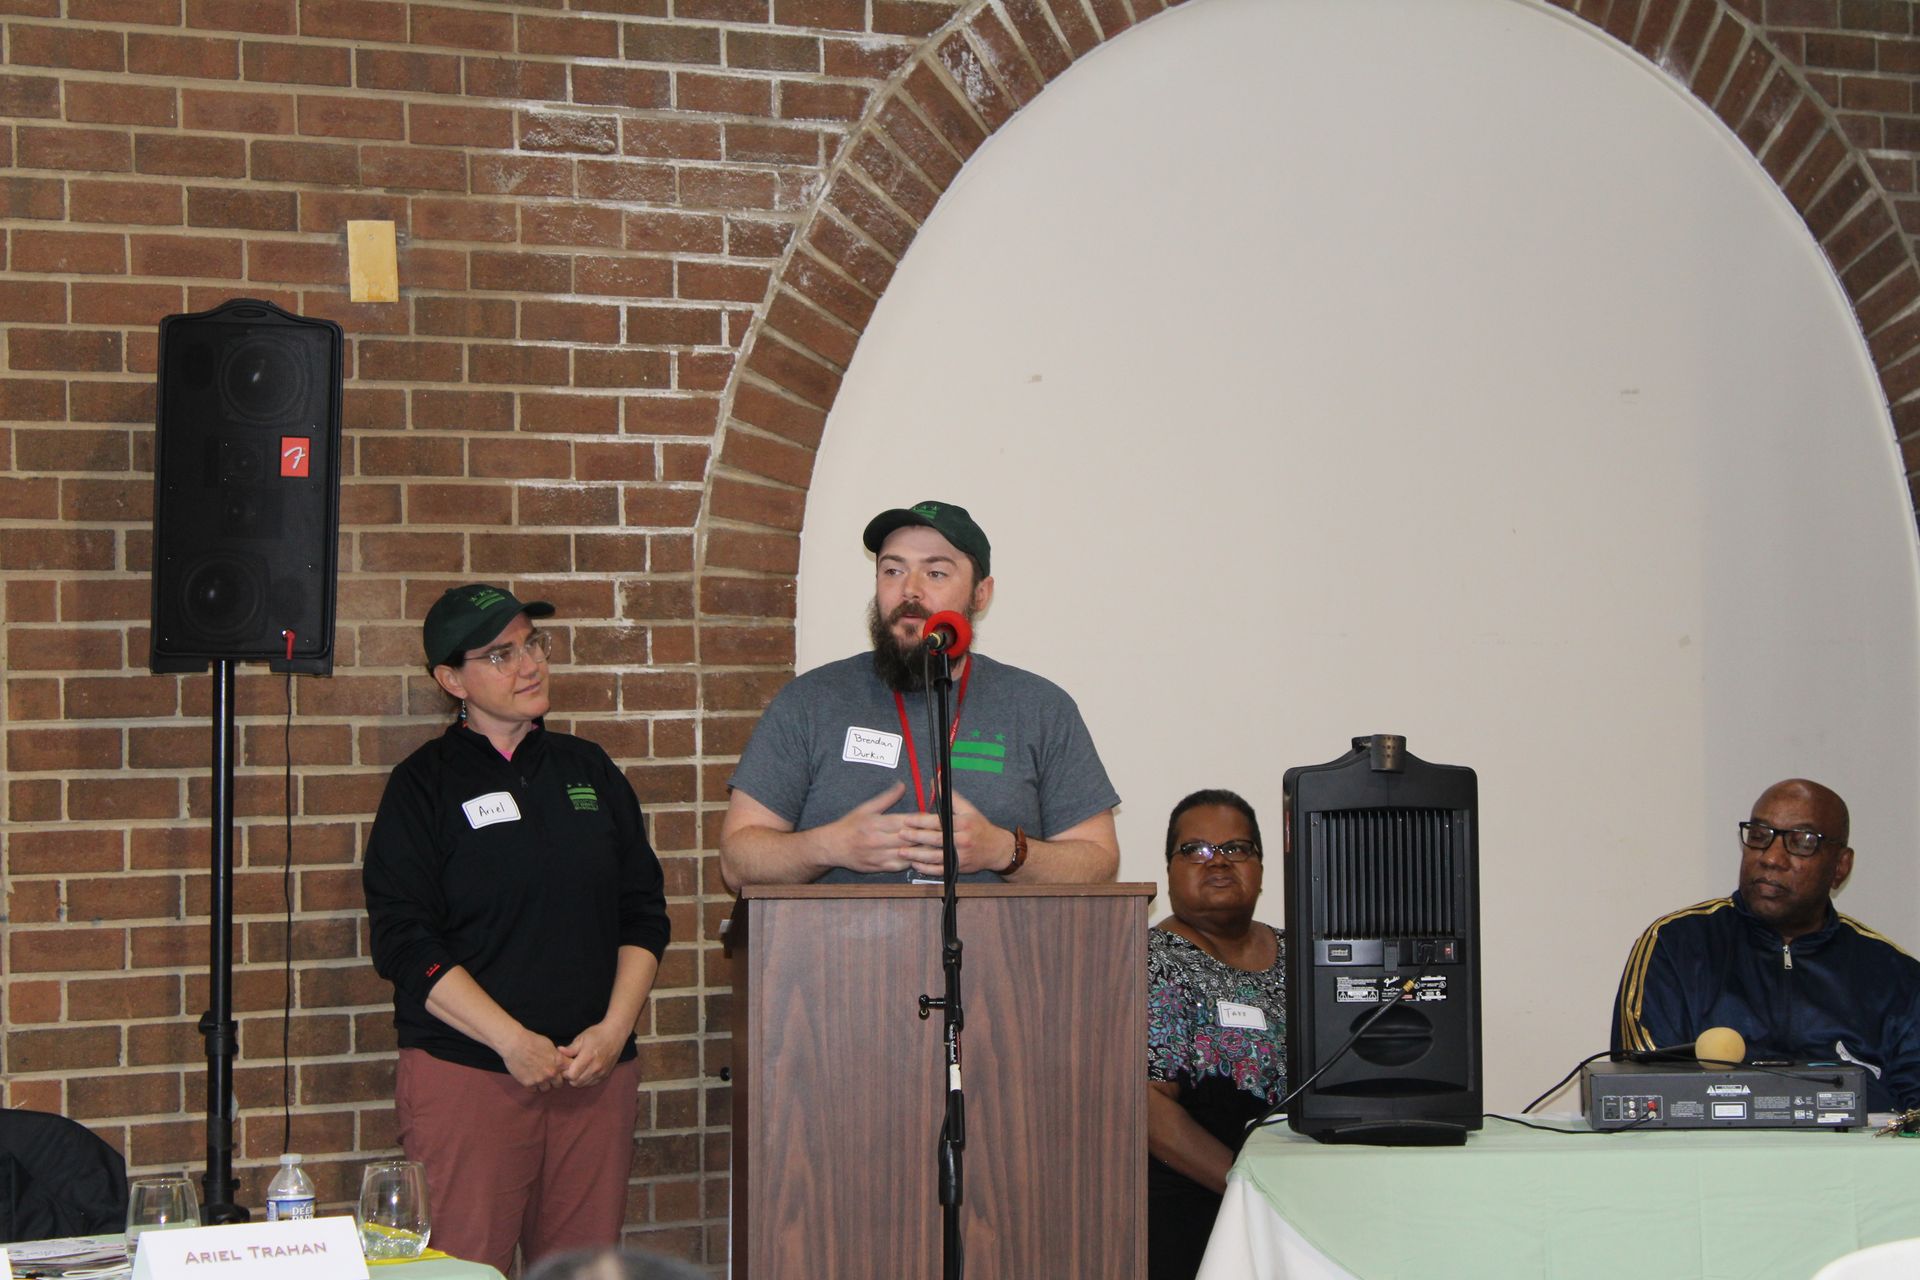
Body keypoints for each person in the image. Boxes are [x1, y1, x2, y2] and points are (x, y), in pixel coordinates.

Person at [362, 584, 671, 1274]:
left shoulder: (587, 769)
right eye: (500, 654)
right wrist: (512, 1042)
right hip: (472, 1077)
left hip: (593, 1076)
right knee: (464, 1268)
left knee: (585, 1269)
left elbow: (643, 914)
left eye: (533, 643)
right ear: (451, 680)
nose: (529, 664)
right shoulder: (423, 787)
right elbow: (405, 942)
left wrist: (615, 1029)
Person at [718, 500, 1120, 887]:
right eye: (892, 570)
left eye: (936, 574)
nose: (910, 590)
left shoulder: (1040, 708)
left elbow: (1098, 861)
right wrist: (829, 847)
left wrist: (1002, 851)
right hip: (842, 952)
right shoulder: (809, 703)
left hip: (1000, 951)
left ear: (981, 594)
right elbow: (738, 861)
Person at [1612, 777, 1920, 1111]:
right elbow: (1646, 1092)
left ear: (1840, 867)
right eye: (1759, 837)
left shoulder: (1893, 975)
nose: (1771, 858)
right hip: (1712, 1160)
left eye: (1802, 842)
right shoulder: (1676, 946)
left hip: (1855, 1162)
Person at [1146, 789, 1286, 1280]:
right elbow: (1148, 1108)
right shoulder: (1154, 959)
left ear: (1261, 868)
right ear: (1170, 870)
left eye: (1237, 848)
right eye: (1196, 850)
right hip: (1195, 1209)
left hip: (1297, 1199)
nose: (1218, 862)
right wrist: (1247, 1188)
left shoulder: (1302, 956)